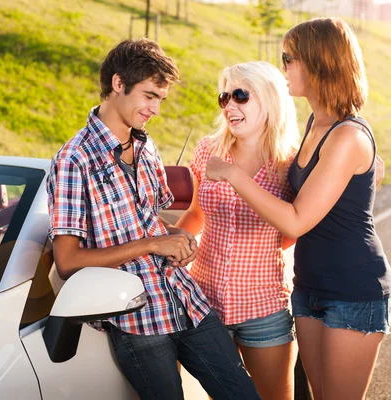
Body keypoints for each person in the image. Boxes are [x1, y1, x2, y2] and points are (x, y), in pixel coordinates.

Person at [46, 38, 260, 400]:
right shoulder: (73, 160)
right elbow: (67, 261)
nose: (155, 109)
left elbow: (150, 222)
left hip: (187, 301)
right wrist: (153, 243)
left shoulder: (146, 147)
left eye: (160, 99)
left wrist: (178, 239)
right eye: (149, 96)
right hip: (138, 322)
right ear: (118, 84)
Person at [205, 17, 391, 400]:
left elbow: (297, 219)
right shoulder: (316, 122)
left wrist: (232, 175)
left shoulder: (348, 134)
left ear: (318, 62)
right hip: (308, 287)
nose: (283, 68)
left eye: (288, 58)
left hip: (353, 290)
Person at [176, 61, 301, 400]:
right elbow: (196, 214)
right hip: (205, 303)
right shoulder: (208, 150)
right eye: (225, 96)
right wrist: (169, 247)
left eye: (241, 95)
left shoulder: (291, 163)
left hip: (264, 307)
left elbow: (292, 230)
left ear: (270, 99)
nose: (230, 105)